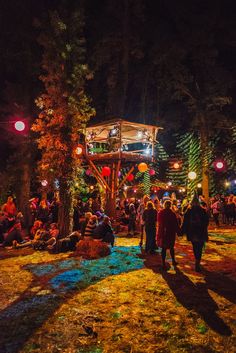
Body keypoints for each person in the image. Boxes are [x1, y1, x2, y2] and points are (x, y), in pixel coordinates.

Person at [182, 195, 209, 272]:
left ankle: (197, 261)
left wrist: (182, 231)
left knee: (195, 246)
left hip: (192, 232)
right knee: (200, 247)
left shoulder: (189, 211)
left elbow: (185, 222)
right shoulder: (202, 210)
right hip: (200, 232)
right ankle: (197, 261)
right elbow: (206, 222)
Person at [157, 200, 181, 269]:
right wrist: (178, 231)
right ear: (170, 205)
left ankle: (163, 263)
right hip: (170, 232)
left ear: (164, 205)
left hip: (163, 232)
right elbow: (175, 223)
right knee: (171, 247)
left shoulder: (161, 213)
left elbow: (159, 222)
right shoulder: (172, 213)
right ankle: (173, 260)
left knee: (164, 248)